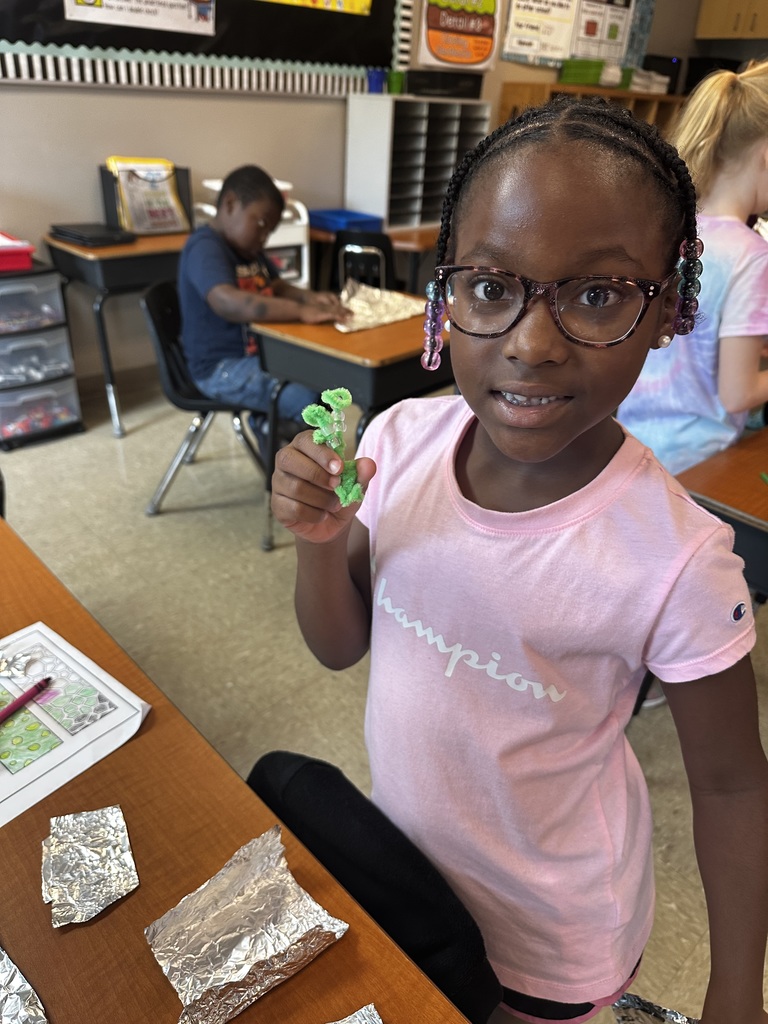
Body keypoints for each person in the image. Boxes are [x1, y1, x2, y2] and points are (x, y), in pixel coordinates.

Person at [270, 96, 768, 1024]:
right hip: (408, 874)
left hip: (554, 939)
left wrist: (738, 989)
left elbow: (735, 786)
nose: (533, 346)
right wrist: (323, 542)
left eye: (597, 293)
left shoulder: (678, 559)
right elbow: (340, 647)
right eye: (491, 288)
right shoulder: (400, 444)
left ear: (667, 312)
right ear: (445, 296)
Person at [619, 60, 768, 475]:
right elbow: (738, 394)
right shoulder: (751, 255)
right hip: (697, 461)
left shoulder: (665, 228)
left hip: (626, 445)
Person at [177, 164, 348, 450]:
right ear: (230, 204)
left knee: (320, 378)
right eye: (261, 224)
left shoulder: (249, 252)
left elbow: (277, 286)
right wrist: (300, 312)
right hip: (220, 368)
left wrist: (309, 298)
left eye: (270, 230)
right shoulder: (205, 248)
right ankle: (276, 438)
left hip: (260, 357)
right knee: (305, 398)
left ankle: (273, 427)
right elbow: (227, 301)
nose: (264, 237)